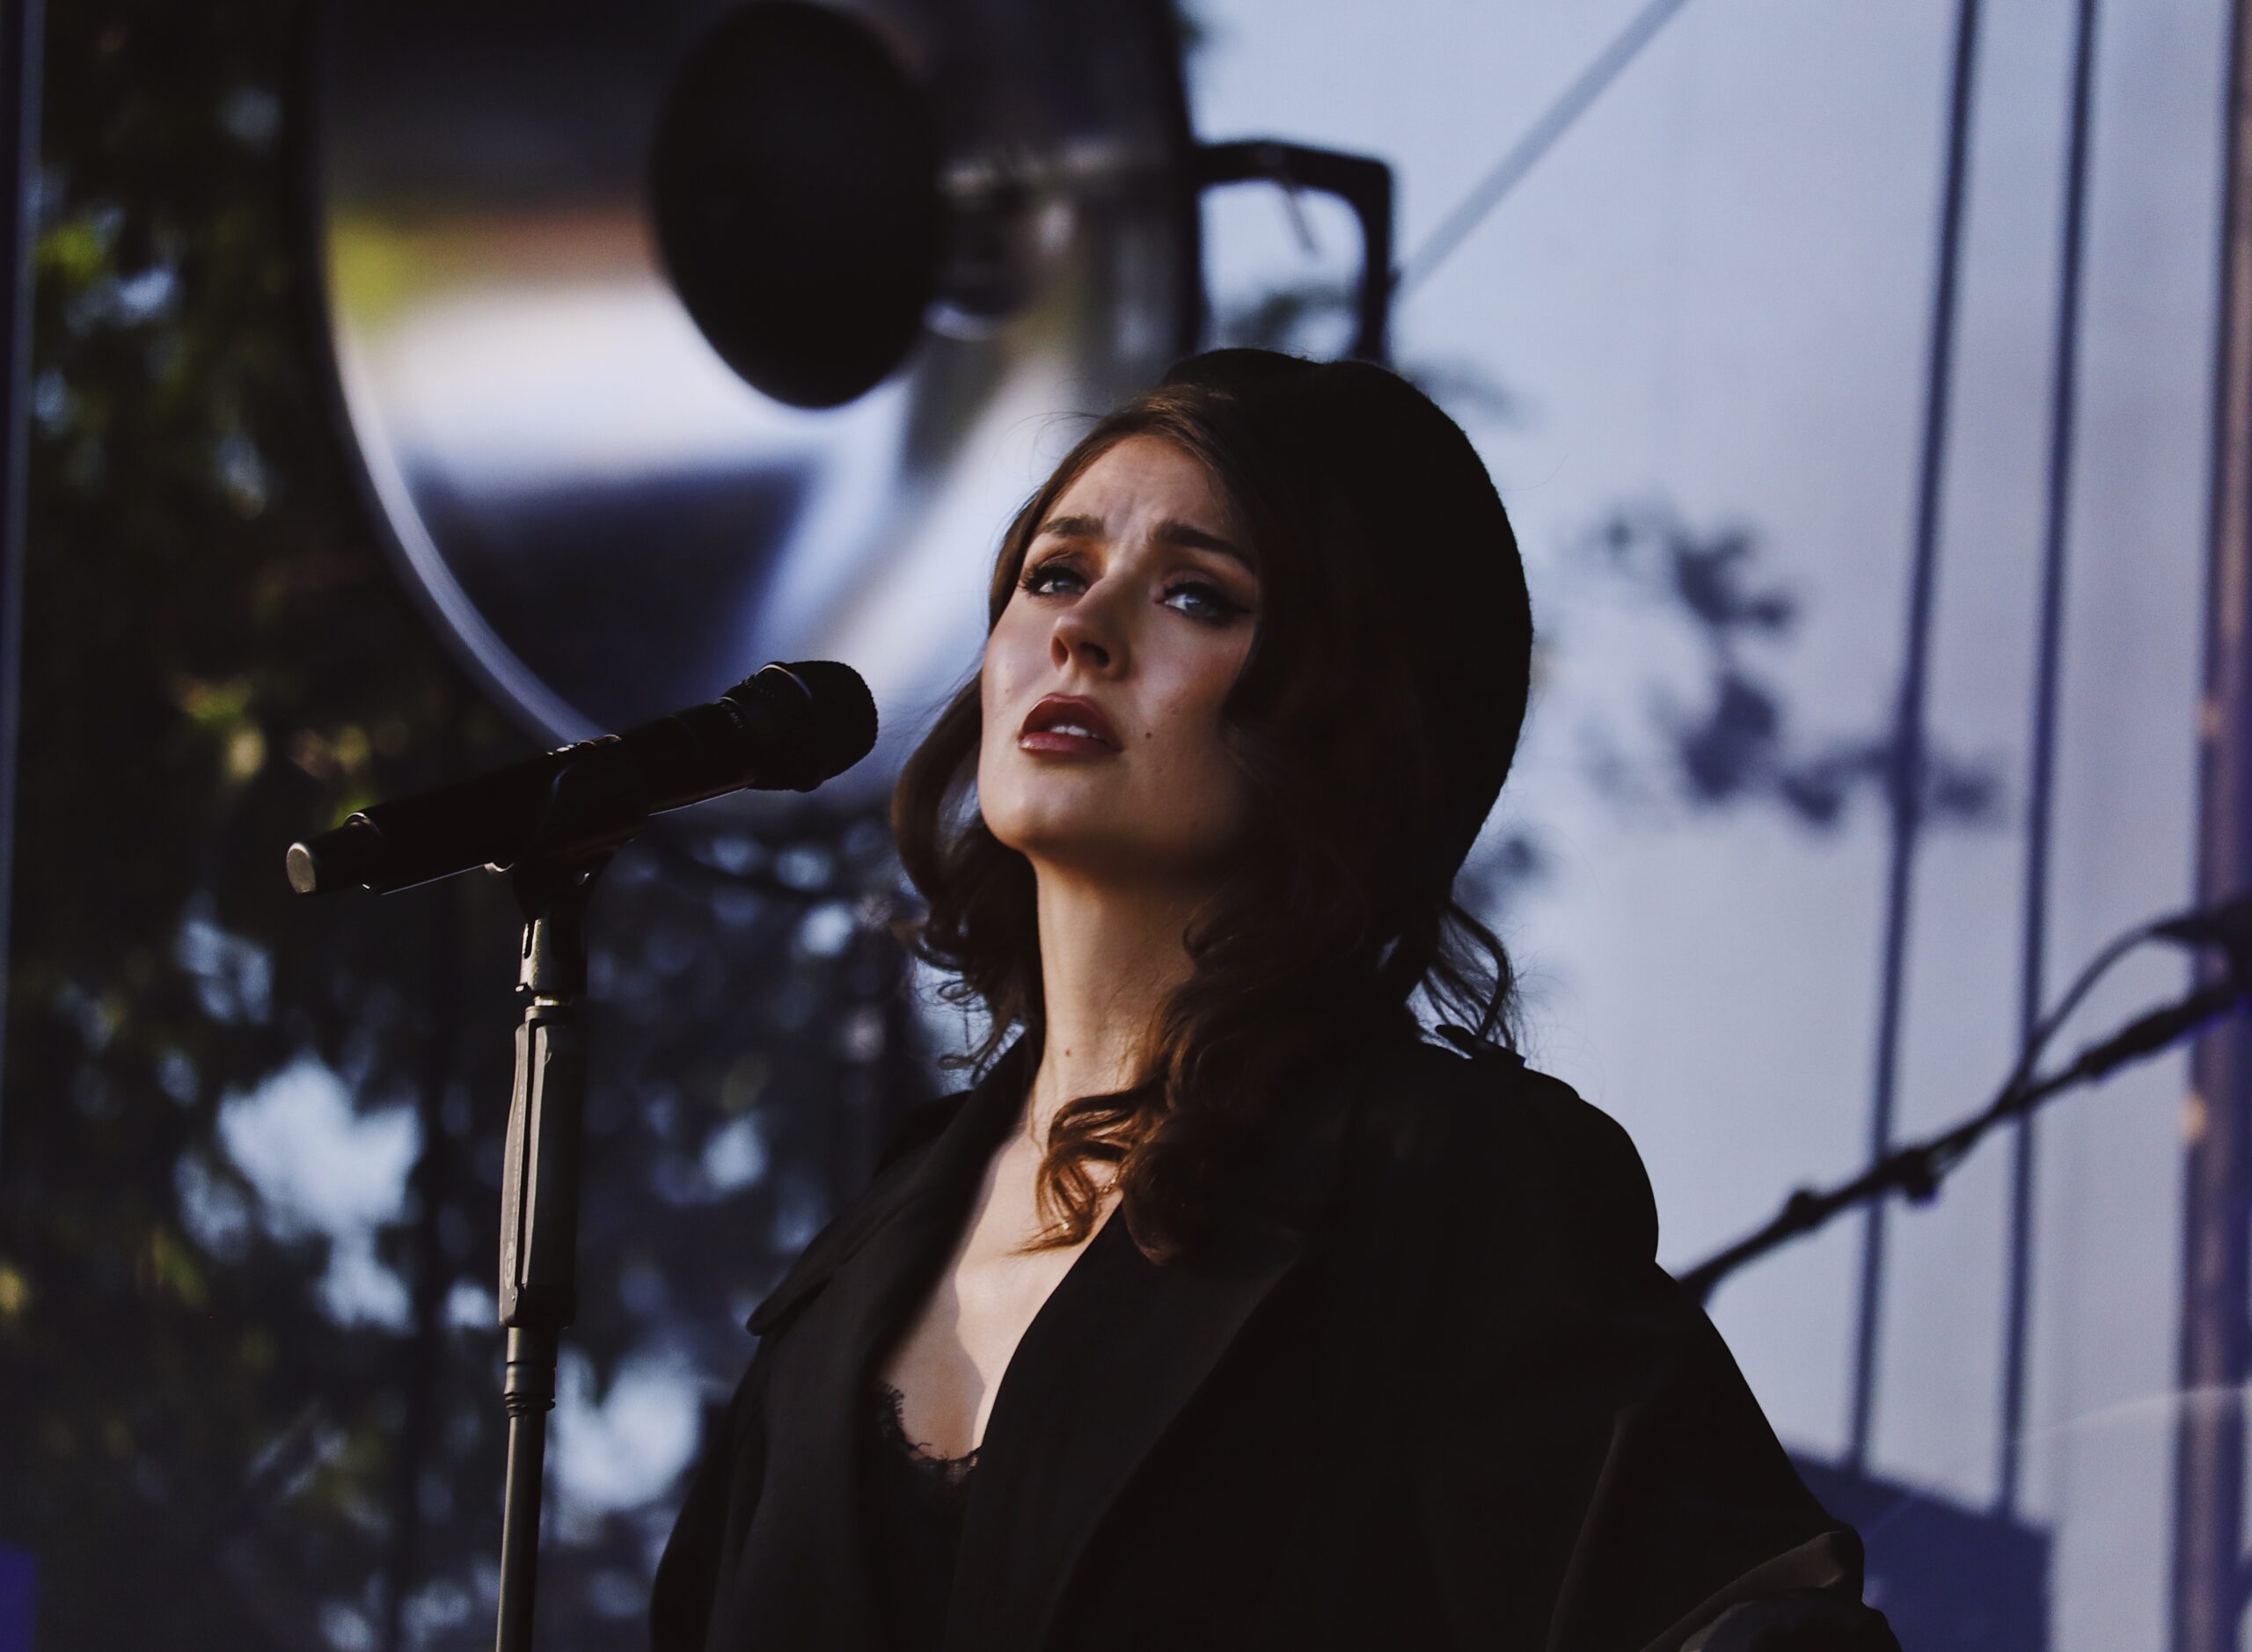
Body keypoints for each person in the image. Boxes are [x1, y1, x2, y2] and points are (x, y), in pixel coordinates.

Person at [648, 348, 1902, 1651]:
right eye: (1056, 572)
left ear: (1350, 712)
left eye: (1197, 595)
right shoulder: (867, 1247)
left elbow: (1754, 1627)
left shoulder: (1450, 1182)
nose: (1081, 628)